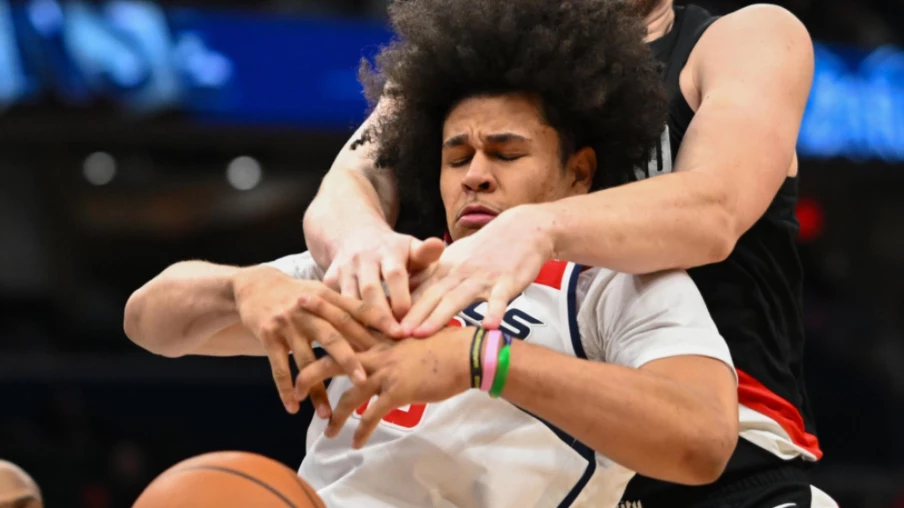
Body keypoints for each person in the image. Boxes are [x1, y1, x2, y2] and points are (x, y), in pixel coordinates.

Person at [124, 1, 739, 505]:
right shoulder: (389, 267)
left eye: (505, 153)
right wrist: (243, 290)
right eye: (455, 157)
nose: (474, 175)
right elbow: (149, 321)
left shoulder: (611, 286)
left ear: (578, 173)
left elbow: (703, 440)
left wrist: (484, 360)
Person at [302, 0, 835, 506]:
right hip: (545, 476)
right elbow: (347, 188)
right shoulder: (482, 57)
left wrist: (538, 226)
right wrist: (365, 247)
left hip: (726, 465)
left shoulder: (746, 38)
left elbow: (715, 208)